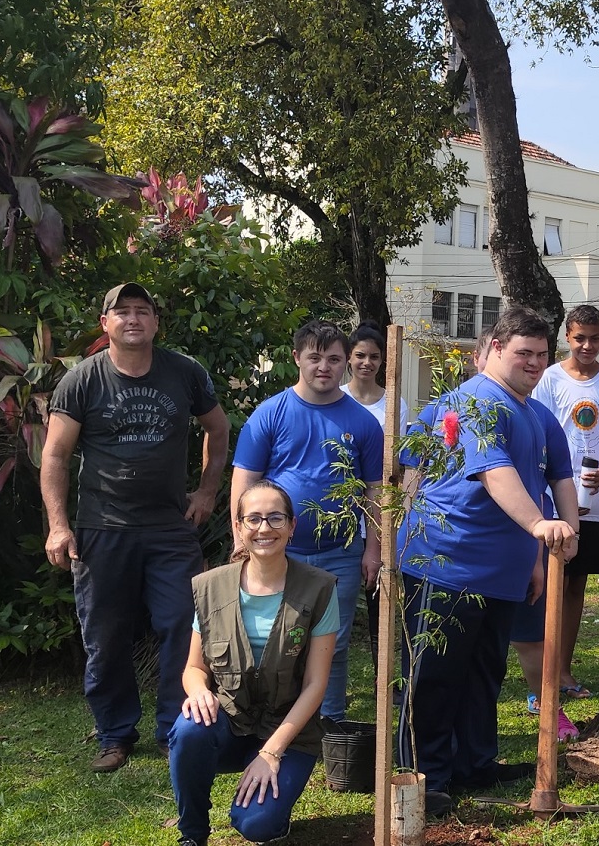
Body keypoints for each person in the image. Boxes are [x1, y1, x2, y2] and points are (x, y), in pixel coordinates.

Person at [42, 281, 230, 773]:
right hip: (102, 529)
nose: (132, 318)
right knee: (105, 637)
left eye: (142, 310)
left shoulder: (184, 372)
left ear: (155, 323)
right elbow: (55, 455)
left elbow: (217, 428)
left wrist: (207, 492)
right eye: (122, 311)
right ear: (105, 324)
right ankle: (115, 735)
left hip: (170, 528)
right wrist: (58, 526)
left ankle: (175, 729)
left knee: (183, 627)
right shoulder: (82, 381)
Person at [397, 307, 577, 815]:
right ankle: (426, 776)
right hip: (447, 562)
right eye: (524, 353)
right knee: (434, 675)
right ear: (495, 348)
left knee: (483, 672)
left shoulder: (533, 413)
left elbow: (549, 478)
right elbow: (494, 473)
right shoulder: (477, 401)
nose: (534, 363)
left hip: (500, 572)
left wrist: (545, 550)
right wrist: (539, 526)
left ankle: (474, 764)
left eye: (542, 355)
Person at [230, 319, 384, 723]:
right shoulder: (270, 414)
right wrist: (241, 539)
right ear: (297, 357)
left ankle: (329, 724)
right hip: (277, 552)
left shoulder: (364, 423)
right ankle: (272, 720)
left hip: (340, 554)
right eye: (315, 357)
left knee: (334, 643)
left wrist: (373, 548)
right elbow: (244, 480)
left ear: (345, 363)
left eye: (333, 359)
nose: (324, 367)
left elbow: (375, 491)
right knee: (274, 641)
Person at [170, 480, 339, 846]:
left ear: (292, 527)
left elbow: (316, 685)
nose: (264, 528)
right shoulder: (211, 587)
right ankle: (192, 835)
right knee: (188, 729)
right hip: (230, 723)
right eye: (254, 519)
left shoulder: (320, 588)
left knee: (257, 825)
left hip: (289, 733)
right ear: (239, 527)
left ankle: (271, 812)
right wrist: (199, 691)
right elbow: (194, 668)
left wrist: (271, 752)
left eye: (276, 518)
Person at [529, 305, 599, 703]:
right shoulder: (549, 378)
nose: (587, 346)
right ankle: (541, 675)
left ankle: (564, 670)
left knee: (575, 585)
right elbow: (538, 431)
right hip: (554, 501)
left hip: (595, 503)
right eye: (580, 338)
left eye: (595, 339)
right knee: (549, 583)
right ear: (567, 338)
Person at [342, 322, 412, 428]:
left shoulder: (396, 405)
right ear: (349, 357)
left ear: (381, 359)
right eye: (360, 355)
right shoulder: (334, 398)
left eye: (374, 357)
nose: (367, 362)